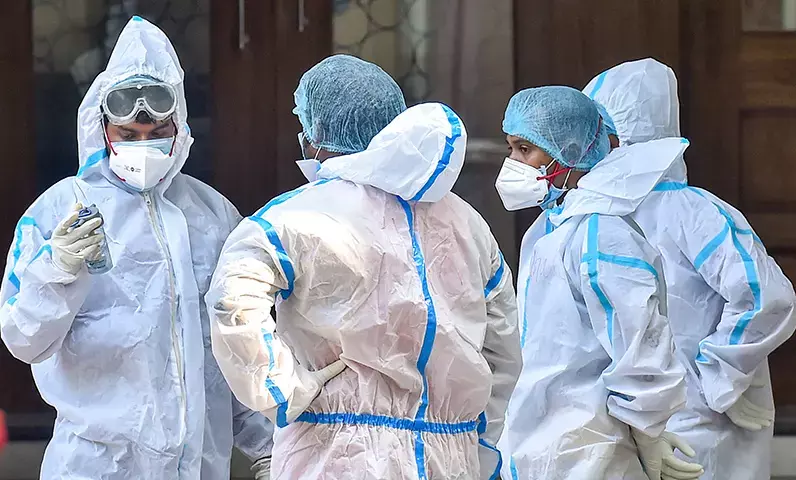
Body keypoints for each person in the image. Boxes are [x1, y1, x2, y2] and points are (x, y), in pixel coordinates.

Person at [206, 54, 522, 479]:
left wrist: (283, 391)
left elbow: (231, 302)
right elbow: (503, 343)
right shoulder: (466, 221)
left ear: (317, 132)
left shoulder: (293, 216)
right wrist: (481, 439)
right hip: (451, 456)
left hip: (337, 453)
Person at [0, 17, 273, 479]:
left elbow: (235, 342)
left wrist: (267, 447)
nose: (143, 146)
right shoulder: (60, 210)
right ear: (103, 129)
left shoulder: (213, 215)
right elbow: (23, 339)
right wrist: (56, 269)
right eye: (128, 136)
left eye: (157, 134)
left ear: (179, 128)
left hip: (197, 465)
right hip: (95, 466)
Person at [584, 58, 796, 480]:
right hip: (626, 422)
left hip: (698, 422)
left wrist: (719, 377)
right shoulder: (588, 218)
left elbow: (767, 297)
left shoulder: (694, 214)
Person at [494, 86, 704, 480]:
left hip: (590, 451)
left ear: (570, 152)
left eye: (525, 149)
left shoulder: (602, 235)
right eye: (510, 148)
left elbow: (640, 344)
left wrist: (648, 429)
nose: (513, 163)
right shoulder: (551, 229)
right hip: (542, 445)